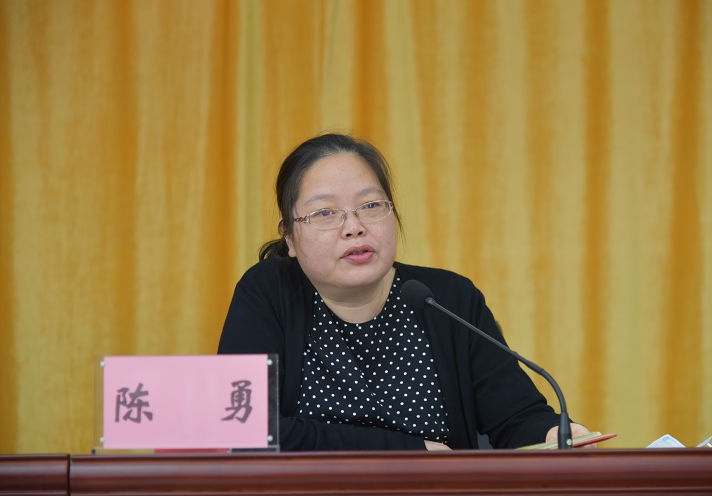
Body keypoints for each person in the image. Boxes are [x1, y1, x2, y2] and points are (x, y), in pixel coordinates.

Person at [218, 132, 593, 451]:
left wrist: (555, 434)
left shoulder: (448, 298)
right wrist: (408, 451)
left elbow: (516, 417)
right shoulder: (268, 292)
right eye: (325, 212)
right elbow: (241, 427)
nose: (354, 226)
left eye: (370, 205)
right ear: (289, 236)